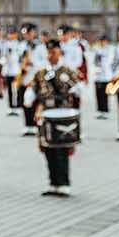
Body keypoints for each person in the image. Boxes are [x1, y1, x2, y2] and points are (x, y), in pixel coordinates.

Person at [25, 40, 85, 197]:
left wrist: (75, 89)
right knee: (48, 149)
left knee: (62, 150)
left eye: (54, 52)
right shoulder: (41, 72)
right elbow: (33, 88)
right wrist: (29, 97)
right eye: (49, 52)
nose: (51, 55)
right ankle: (53, 183)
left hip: (63, 116)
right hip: (46, 115)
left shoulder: (68, 71)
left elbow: (79, 89)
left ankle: (64, 183)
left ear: (60, 53)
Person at [91, 34, 116, 120]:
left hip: (106, 76)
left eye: (103, 41)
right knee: (98, 94)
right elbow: (94, 61)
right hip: (97, 76)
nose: (102, 42)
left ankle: (105, 111)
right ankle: (100, 111)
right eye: (100, 41)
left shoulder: (110, 49)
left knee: (105, 95)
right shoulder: (96, 49)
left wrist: (101, 60)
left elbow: (109, 61)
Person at [2, 28, 25, 117]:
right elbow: (2, 57)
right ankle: (11, 107)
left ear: (16, 34)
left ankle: (18, 106)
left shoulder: (20, 44)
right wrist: (4, 60)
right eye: (9, 34)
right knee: (9, 90)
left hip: (17, 70)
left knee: (17, 89)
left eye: (12, 33)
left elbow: (21, 56)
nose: (11, 35)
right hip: (8, 69)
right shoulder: (5, 44)